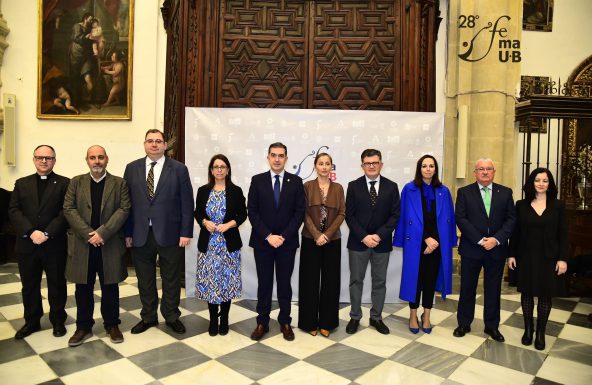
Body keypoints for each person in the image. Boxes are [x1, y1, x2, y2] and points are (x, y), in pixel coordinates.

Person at [124, 129, 194, 335]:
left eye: (158, 141)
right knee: (144, 279)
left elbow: (187, 203)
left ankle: (171, 316)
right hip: (139, 233)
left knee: (170, 278)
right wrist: (127, 233)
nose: (154, 144)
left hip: (171, 234)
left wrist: (186, 232)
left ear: (165, 145)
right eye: (150, 141)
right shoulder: (132, 168)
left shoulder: (179, 169)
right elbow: (125, 204)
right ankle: (148, 317)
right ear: (144, 144)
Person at [63, 145, 131, 346]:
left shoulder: (119, 183)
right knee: (83, 287)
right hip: (82, 245)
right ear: (87, 160)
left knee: (110, 286)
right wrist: (88, 234)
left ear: (107, 159)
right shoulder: (76, 182)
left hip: (108, 243)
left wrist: (102, 232)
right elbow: (68, 209)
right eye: (92, 158)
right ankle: (83, 326)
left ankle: (112, 324)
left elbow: (124, 209)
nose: (97, 161)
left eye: (100, 157)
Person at [8, 145, 70, 339]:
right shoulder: (21, 183)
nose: (44, 161)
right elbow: (14, 211)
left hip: (54, 244)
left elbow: (65, 212)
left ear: (54, 160)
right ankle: (32, 321)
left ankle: (58, 320)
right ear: (34, 159)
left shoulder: (64, 183)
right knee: (29, 285)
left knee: (57, 284)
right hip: (28, 244)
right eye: (40, 157)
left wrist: (46, 233)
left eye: (48, 158)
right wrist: (30, 231)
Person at [248, 142, 305, 341]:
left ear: (286, 159)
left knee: (284, 284)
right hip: (263, 243)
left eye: (281, 155)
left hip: (286, 243)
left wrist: (283, 236)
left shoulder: (296, 182)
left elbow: (299, 213)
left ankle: (285, 321)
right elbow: (252, 212)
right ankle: (262, 322)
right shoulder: (257, 180)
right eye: (273, 155)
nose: (277, 159)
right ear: (268, 157)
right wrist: (268, 236)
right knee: (264, 284)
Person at [454, 158, 516, 342]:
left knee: (493, 289)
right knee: (467, 287)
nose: (485, 172)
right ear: (475, 172)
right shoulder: (464, 192)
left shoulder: (505, 193)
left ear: (494, 172)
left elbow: (511, 219)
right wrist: (481, 240)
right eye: (481, 169)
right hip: (472, 248)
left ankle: (492, 326)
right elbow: (461, 219)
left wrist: (496, 240)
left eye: (489, 169)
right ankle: (464, 323)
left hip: (496, 250)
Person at [393, 155, 457, 334]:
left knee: (430, 281)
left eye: (431, 166)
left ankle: (426, 315)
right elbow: (404, 217)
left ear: (436, 169)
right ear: (419, 169)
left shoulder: (444, 191)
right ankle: (413, 315)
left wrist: (437, 241)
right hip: (416, 243)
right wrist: (425, 239)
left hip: (437, 244)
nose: (428, 169)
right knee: (415, 280)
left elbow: (449, 219)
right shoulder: (409, 189)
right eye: (424, 166)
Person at [508, 168, 567, 350]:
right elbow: (515, 233)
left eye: (545, 180)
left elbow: (563, 234)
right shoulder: (521, 205)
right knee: (526, 293)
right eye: (537, 180)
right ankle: (528, 329)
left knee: (544, 295)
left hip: (549, 257)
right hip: (526, 256)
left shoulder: (558, 205)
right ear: (531, 183)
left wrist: (563, 259)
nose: (541, 183)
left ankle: (541, 332)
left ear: (550, 184)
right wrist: (511, 254)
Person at [345, 149, 400, 335]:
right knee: (356, 281)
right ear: (362, 166)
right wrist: (364, 236)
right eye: (367, 163)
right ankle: (354, 317)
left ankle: (376, 317)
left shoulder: (392, 187)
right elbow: (349, 216)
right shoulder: (353, 186)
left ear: (381, 164)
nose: (371, 166)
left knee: (379, 282)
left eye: (375, 163)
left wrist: (379, 235)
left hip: (381, 243)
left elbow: (395, 215)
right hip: (358, 242)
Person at [194, 154, 247, 336]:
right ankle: (213, 320)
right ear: (211, 170)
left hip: (228, 244)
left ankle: (224, 319)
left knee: (226, 283)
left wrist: (229, 224)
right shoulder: (202, 191)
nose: (219, 170)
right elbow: (197, 212)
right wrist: (204, 221)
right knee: (210, 284)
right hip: (209, 245)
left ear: (228, 170)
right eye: (216, 167)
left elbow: (243, 214)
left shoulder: (236, 191)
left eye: (222, 167)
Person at [298, 153, 345, 338]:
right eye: (321, 163)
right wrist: (317, 235)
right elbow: (303, 213)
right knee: (309, 281)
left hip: (332, 241)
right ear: (315, 166)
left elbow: (342, 213)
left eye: (327, 164)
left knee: (330, 282)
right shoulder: (307, 186)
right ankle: (309, 322)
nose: (324, 167)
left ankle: (327, 323)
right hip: (310, 239)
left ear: (331, 167)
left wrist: (327, 234)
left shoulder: (339, 188)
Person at [69, 12, 94, 104]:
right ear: (85, 18)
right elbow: (76, 38)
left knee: (88, 76)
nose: (91, 21)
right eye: (90, 19)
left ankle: (90, 99)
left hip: (85, 55)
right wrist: (86, 36)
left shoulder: (89, 28)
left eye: (92, 20)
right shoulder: (77, 26)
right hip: (76, 53)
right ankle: (76, 100)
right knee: (75, 77)